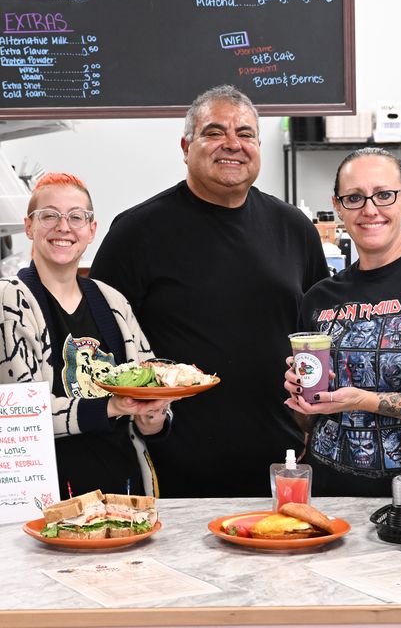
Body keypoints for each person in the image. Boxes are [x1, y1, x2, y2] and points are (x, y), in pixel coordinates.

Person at [90, 85, 328, 497]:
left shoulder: (294, 229)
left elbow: (318, 337)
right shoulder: (136, 232)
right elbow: (101, 350)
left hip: (279, 459)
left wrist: (314, 423)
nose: (232, 144)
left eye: (246, 133)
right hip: (166, 463)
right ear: (186, 146)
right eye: (215, 132)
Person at [283, 147, 401, 495]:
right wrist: (302, 398)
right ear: (338, 207)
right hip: (330, 498)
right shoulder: (319, 298)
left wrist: (366, 400)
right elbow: (307, 423)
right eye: (354, 198)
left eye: (384, 195)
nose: (370, 210)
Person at [0, 172, 174, 499]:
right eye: (49, 216)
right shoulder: (7, 301)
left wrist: (152, 416)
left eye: (76, 217)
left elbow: (147, 385)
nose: (63, 227)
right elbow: (13, 419)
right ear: (29, 227)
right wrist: (113, 406)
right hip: (42, 507)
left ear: (92, 230)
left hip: (125, 496)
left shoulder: (112, 301)